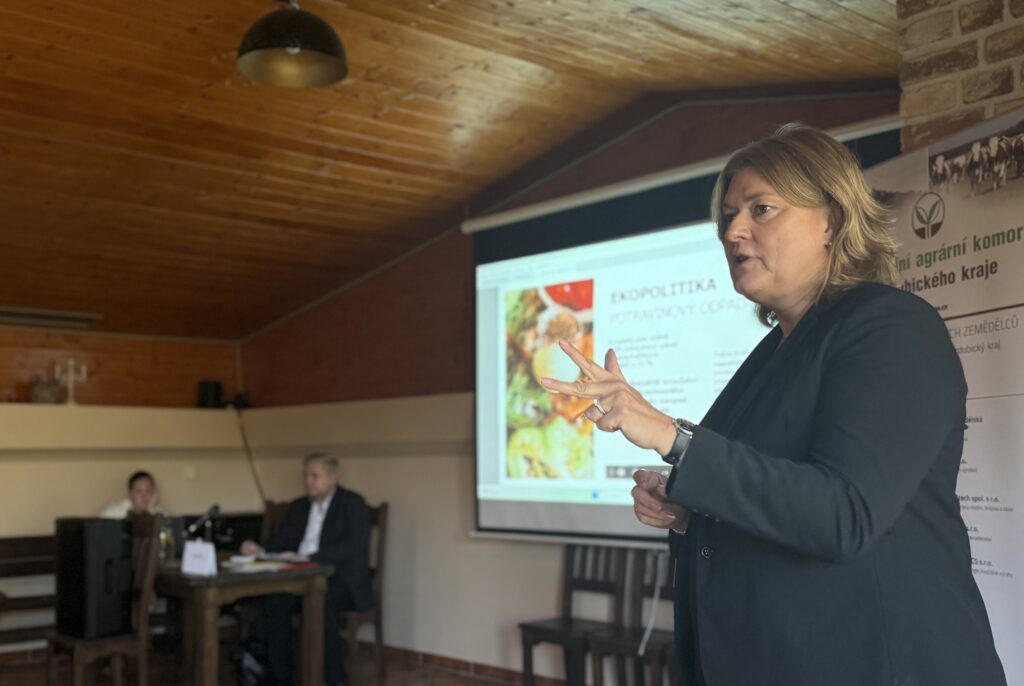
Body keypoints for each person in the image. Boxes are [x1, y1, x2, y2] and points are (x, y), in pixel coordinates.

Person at [540, 124, 1006, 686]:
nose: (733, 231)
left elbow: (845, 516)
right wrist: (691, 512)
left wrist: (672, 437)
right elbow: (781, 499)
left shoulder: (892, 328)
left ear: (832, 220)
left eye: (761, 209)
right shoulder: (774, 351)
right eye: (727, 217)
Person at [241, 453, 372, 686]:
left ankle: (333, 679)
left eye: (315, 476)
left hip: (340, 578)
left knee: (319, 601)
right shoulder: (299, 506)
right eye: (306, 476)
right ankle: (281, 677)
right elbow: (283, 539)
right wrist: (259, 549)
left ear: (332, 478)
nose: (308, 481)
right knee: (275, 602)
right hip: (300, 576)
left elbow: (353, 546)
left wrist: (311, 557)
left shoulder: (352, 503)